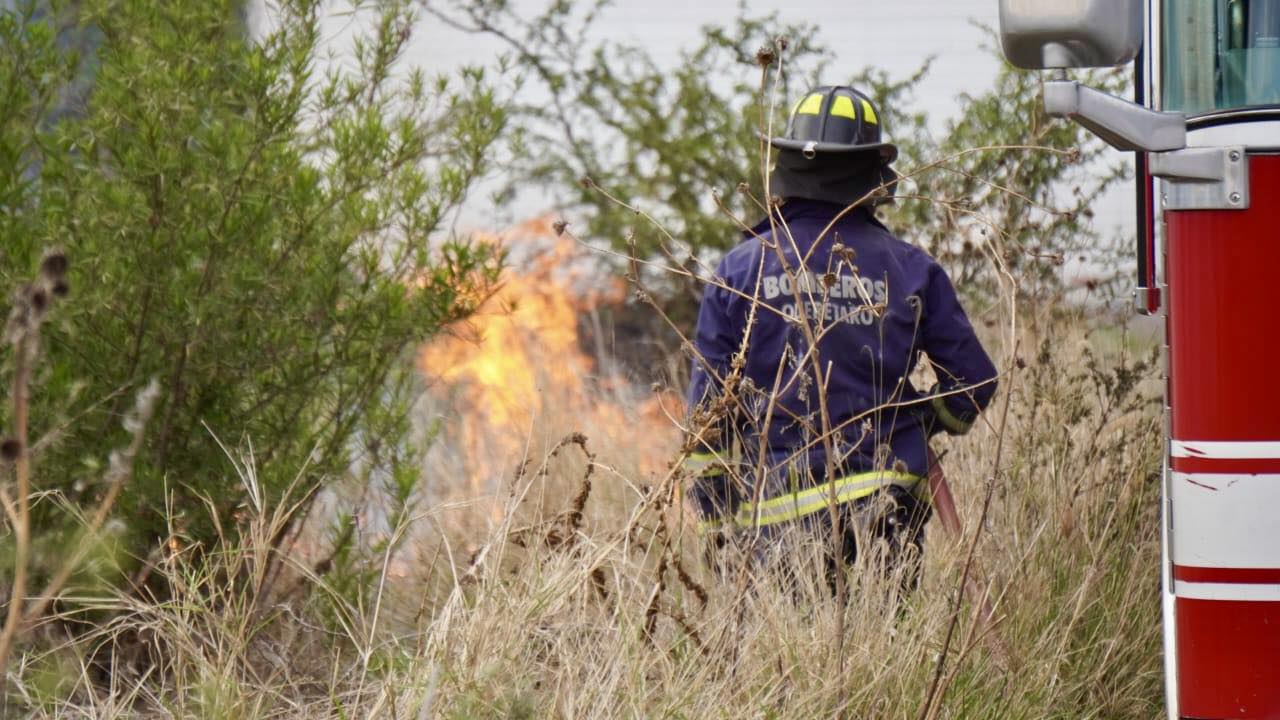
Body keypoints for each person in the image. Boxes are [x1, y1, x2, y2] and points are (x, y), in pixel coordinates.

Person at [683, 85, 998, 587]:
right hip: (887, 503)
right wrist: (912, 423)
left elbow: (706, 421)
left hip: (778, 515)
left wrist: (718, 527)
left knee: (788, 661)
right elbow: (973, 385)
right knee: (886, 652)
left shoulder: (740, 269)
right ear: (872, 174)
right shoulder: (912, 268)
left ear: (786, 167)